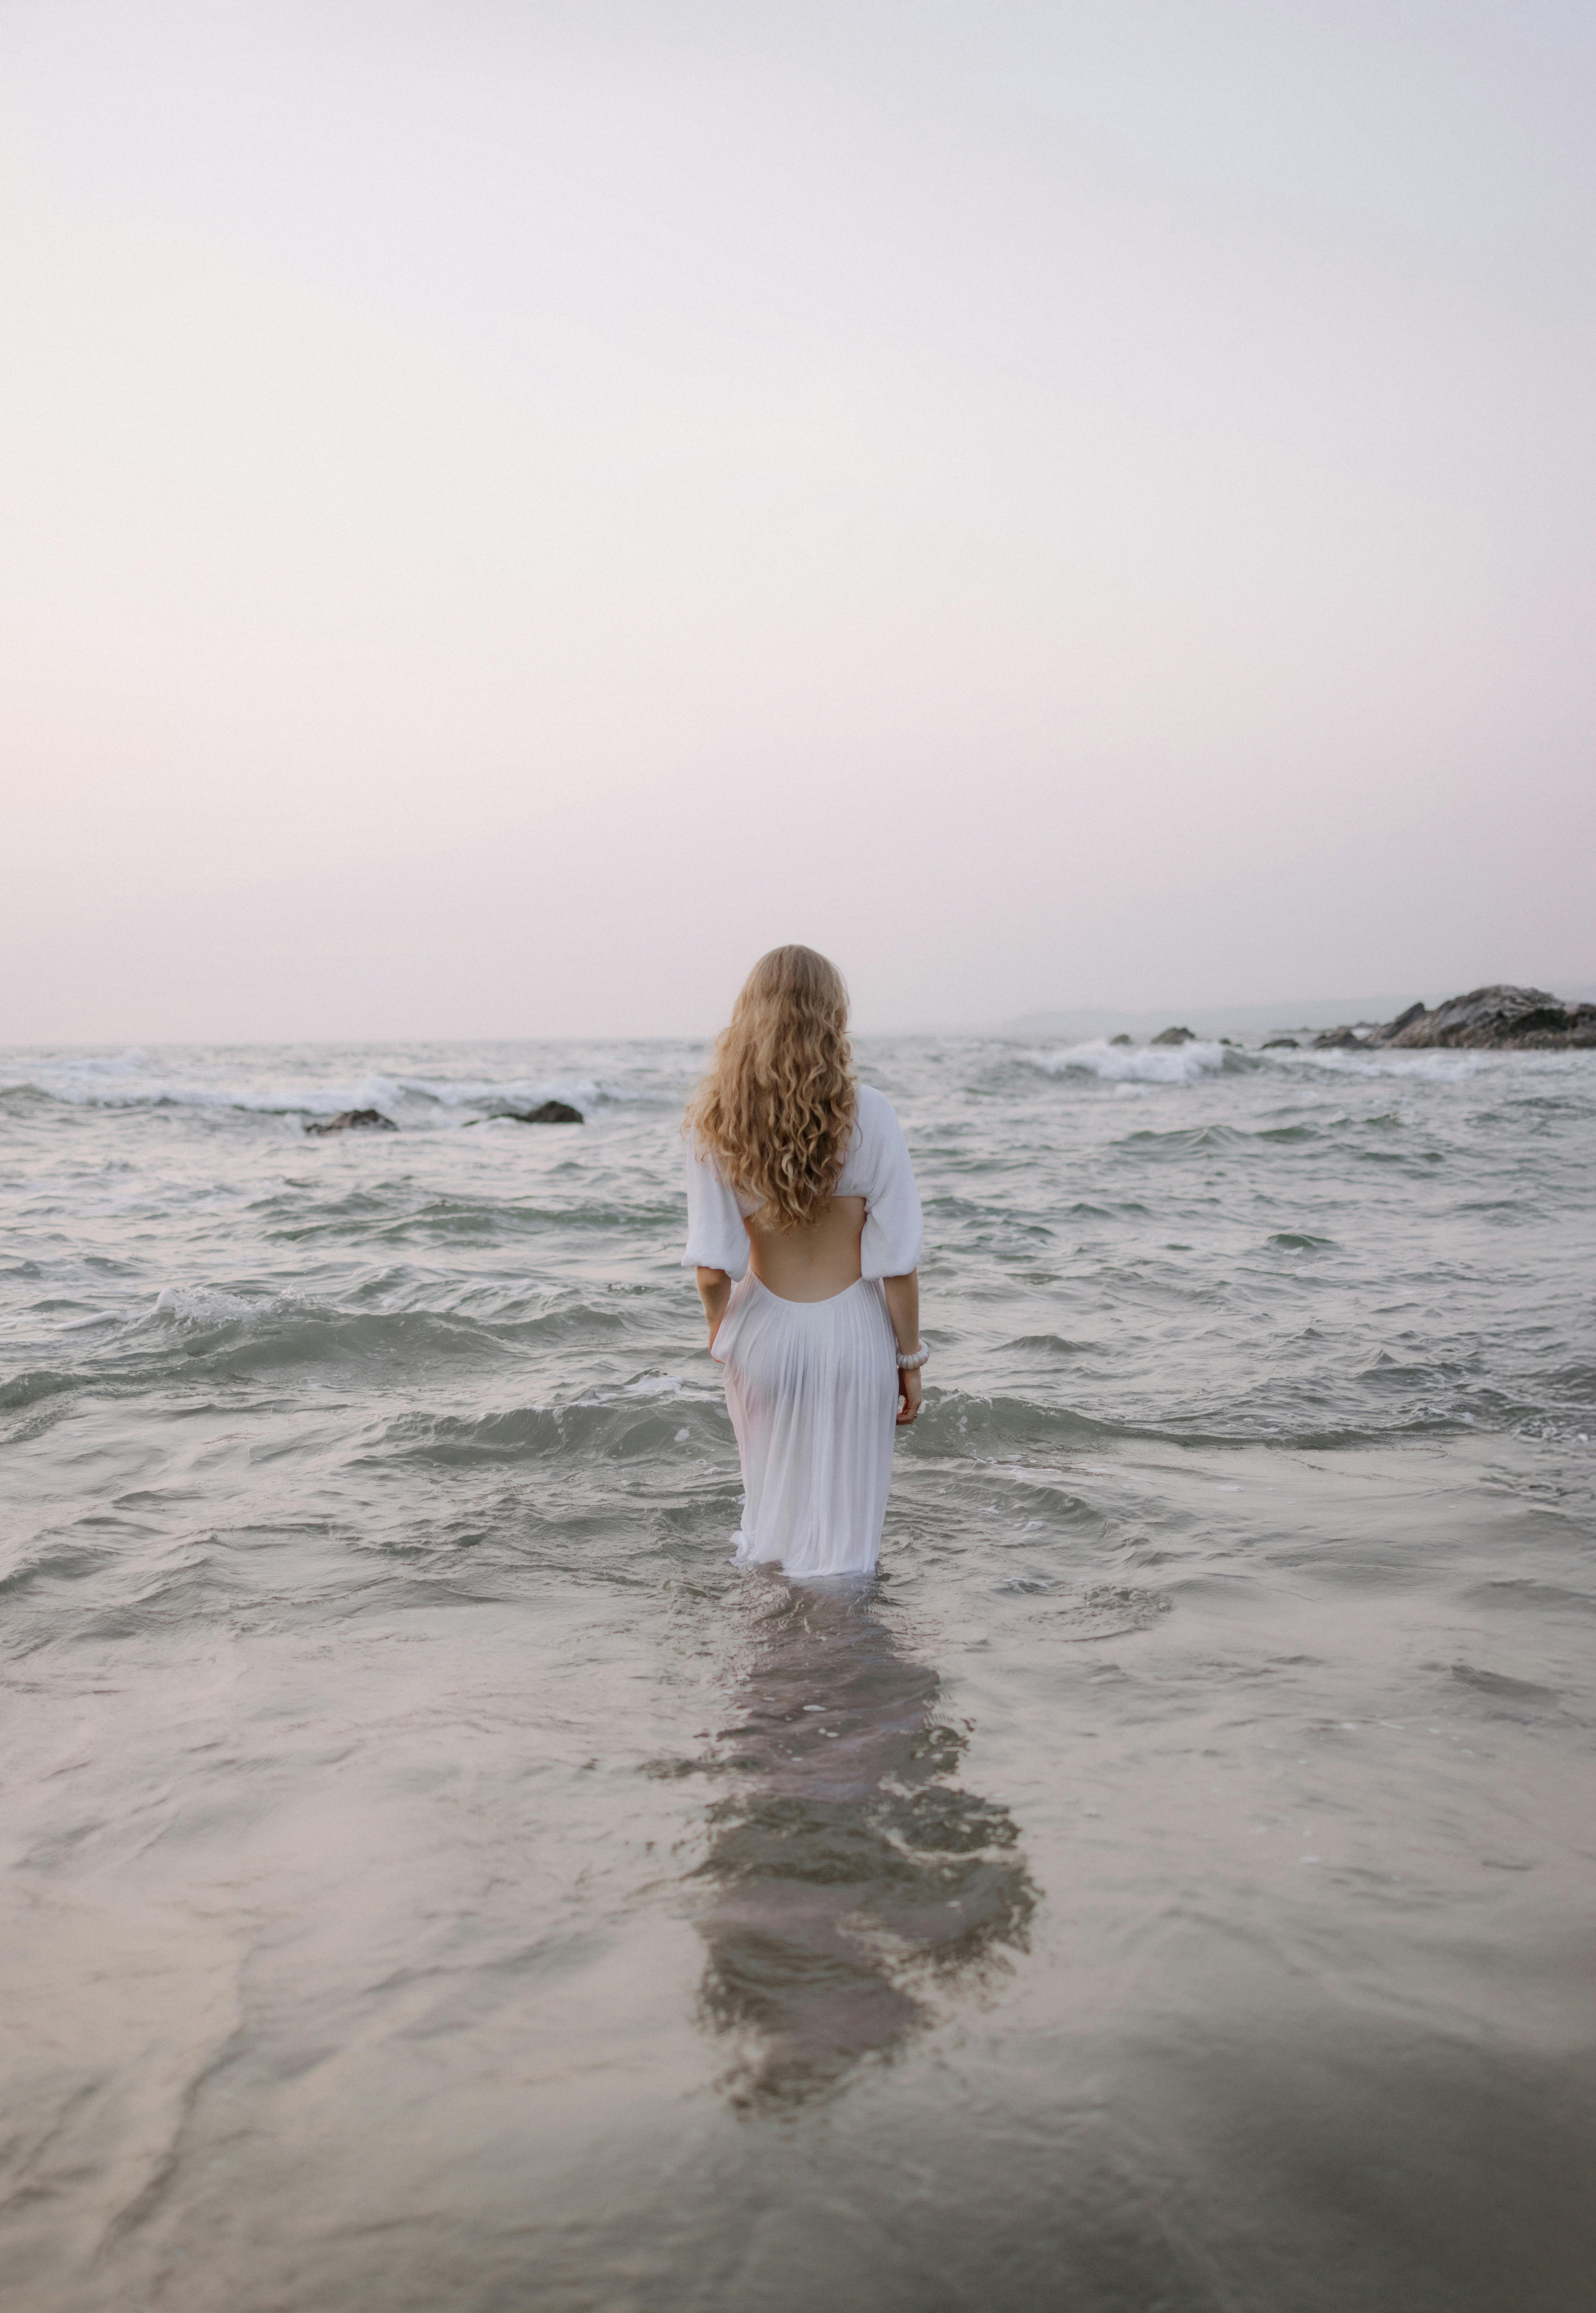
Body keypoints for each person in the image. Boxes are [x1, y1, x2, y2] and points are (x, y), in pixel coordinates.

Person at [682, 946, 927, 1580]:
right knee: (849, 1530)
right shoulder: (871, 1112)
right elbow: (896, 1263)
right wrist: (909, 1361)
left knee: (771, 1512)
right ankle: (844, 1652)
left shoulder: (717, 1122)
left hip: (764, 1334)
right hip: (856, 1336)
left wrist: (722, 1334)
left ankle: (774, 1653)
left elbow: (713, 1269)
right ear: (832, 1015)